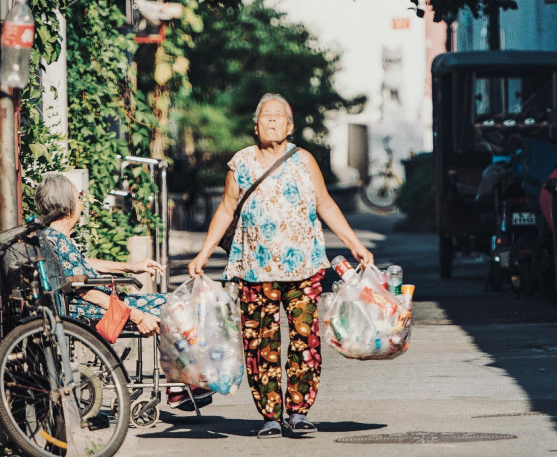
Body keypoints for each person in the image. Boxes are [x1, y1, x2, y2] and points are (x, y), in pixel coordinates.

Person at [188, 93, 373, 438]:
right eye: (265, 116)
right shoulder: (240, 163)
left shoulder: (303, 160)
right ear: (256, 125)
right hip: (254, 270)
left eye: (278, 116)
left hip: (303, 269)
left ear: (290, 126)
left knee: (306, 341)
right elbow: (226, 209)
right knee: (260, 344)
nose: (271, 121)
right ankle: (271, 415)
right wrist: (203, 254)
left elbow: (326, 205)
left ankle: (299, 412)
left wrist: (356, 245)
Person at [35, 173, 214, 411]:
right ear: (67, 207)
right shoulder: (56, 240)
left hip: (99, 304)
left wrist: (131, 266)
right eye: (79, 197)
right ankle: (180, 385)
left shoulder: (53, 237)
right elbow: (83, 290)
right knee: (176, 306)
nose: (81, 201)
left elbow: (83, 265)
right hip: (95, 309)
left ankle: (182, 382)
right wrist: (137, 316)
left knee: (175, 301)